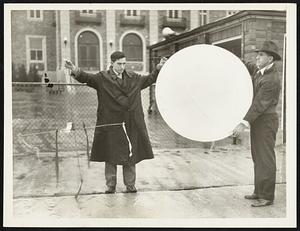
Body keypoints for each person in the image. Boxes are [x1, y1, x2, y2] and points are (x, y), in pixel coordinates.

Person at [64, 51, 167, 193]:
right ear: (111, 63)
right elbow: (87, 78)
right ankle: (110, 185)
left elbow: (149, 79)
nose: (122, 67)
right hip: (111, 123)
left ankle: (130, 185)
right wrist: (74, 69)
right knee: (110, 155)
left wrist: (158, 68)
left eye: (124, 63)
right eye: (119, 64)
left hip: (130, 123)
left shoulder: (134, 78)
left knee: (130, 154)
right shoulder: (102, 78)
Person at [233, 41, 282, 207]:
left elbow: (259, 105)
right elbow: (248, 65)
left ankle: (267, 196)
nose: (257, 57)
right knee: (257, 157)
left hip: (266, 122)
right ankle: (259, 191)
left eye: (261, 55)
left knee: (265, 159)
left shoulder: (271, 80)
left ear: (270, 58)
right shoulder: (260, 71)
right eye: (257, 54)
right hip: (259, 122)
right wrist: (231, 59)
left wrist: (243, 123)